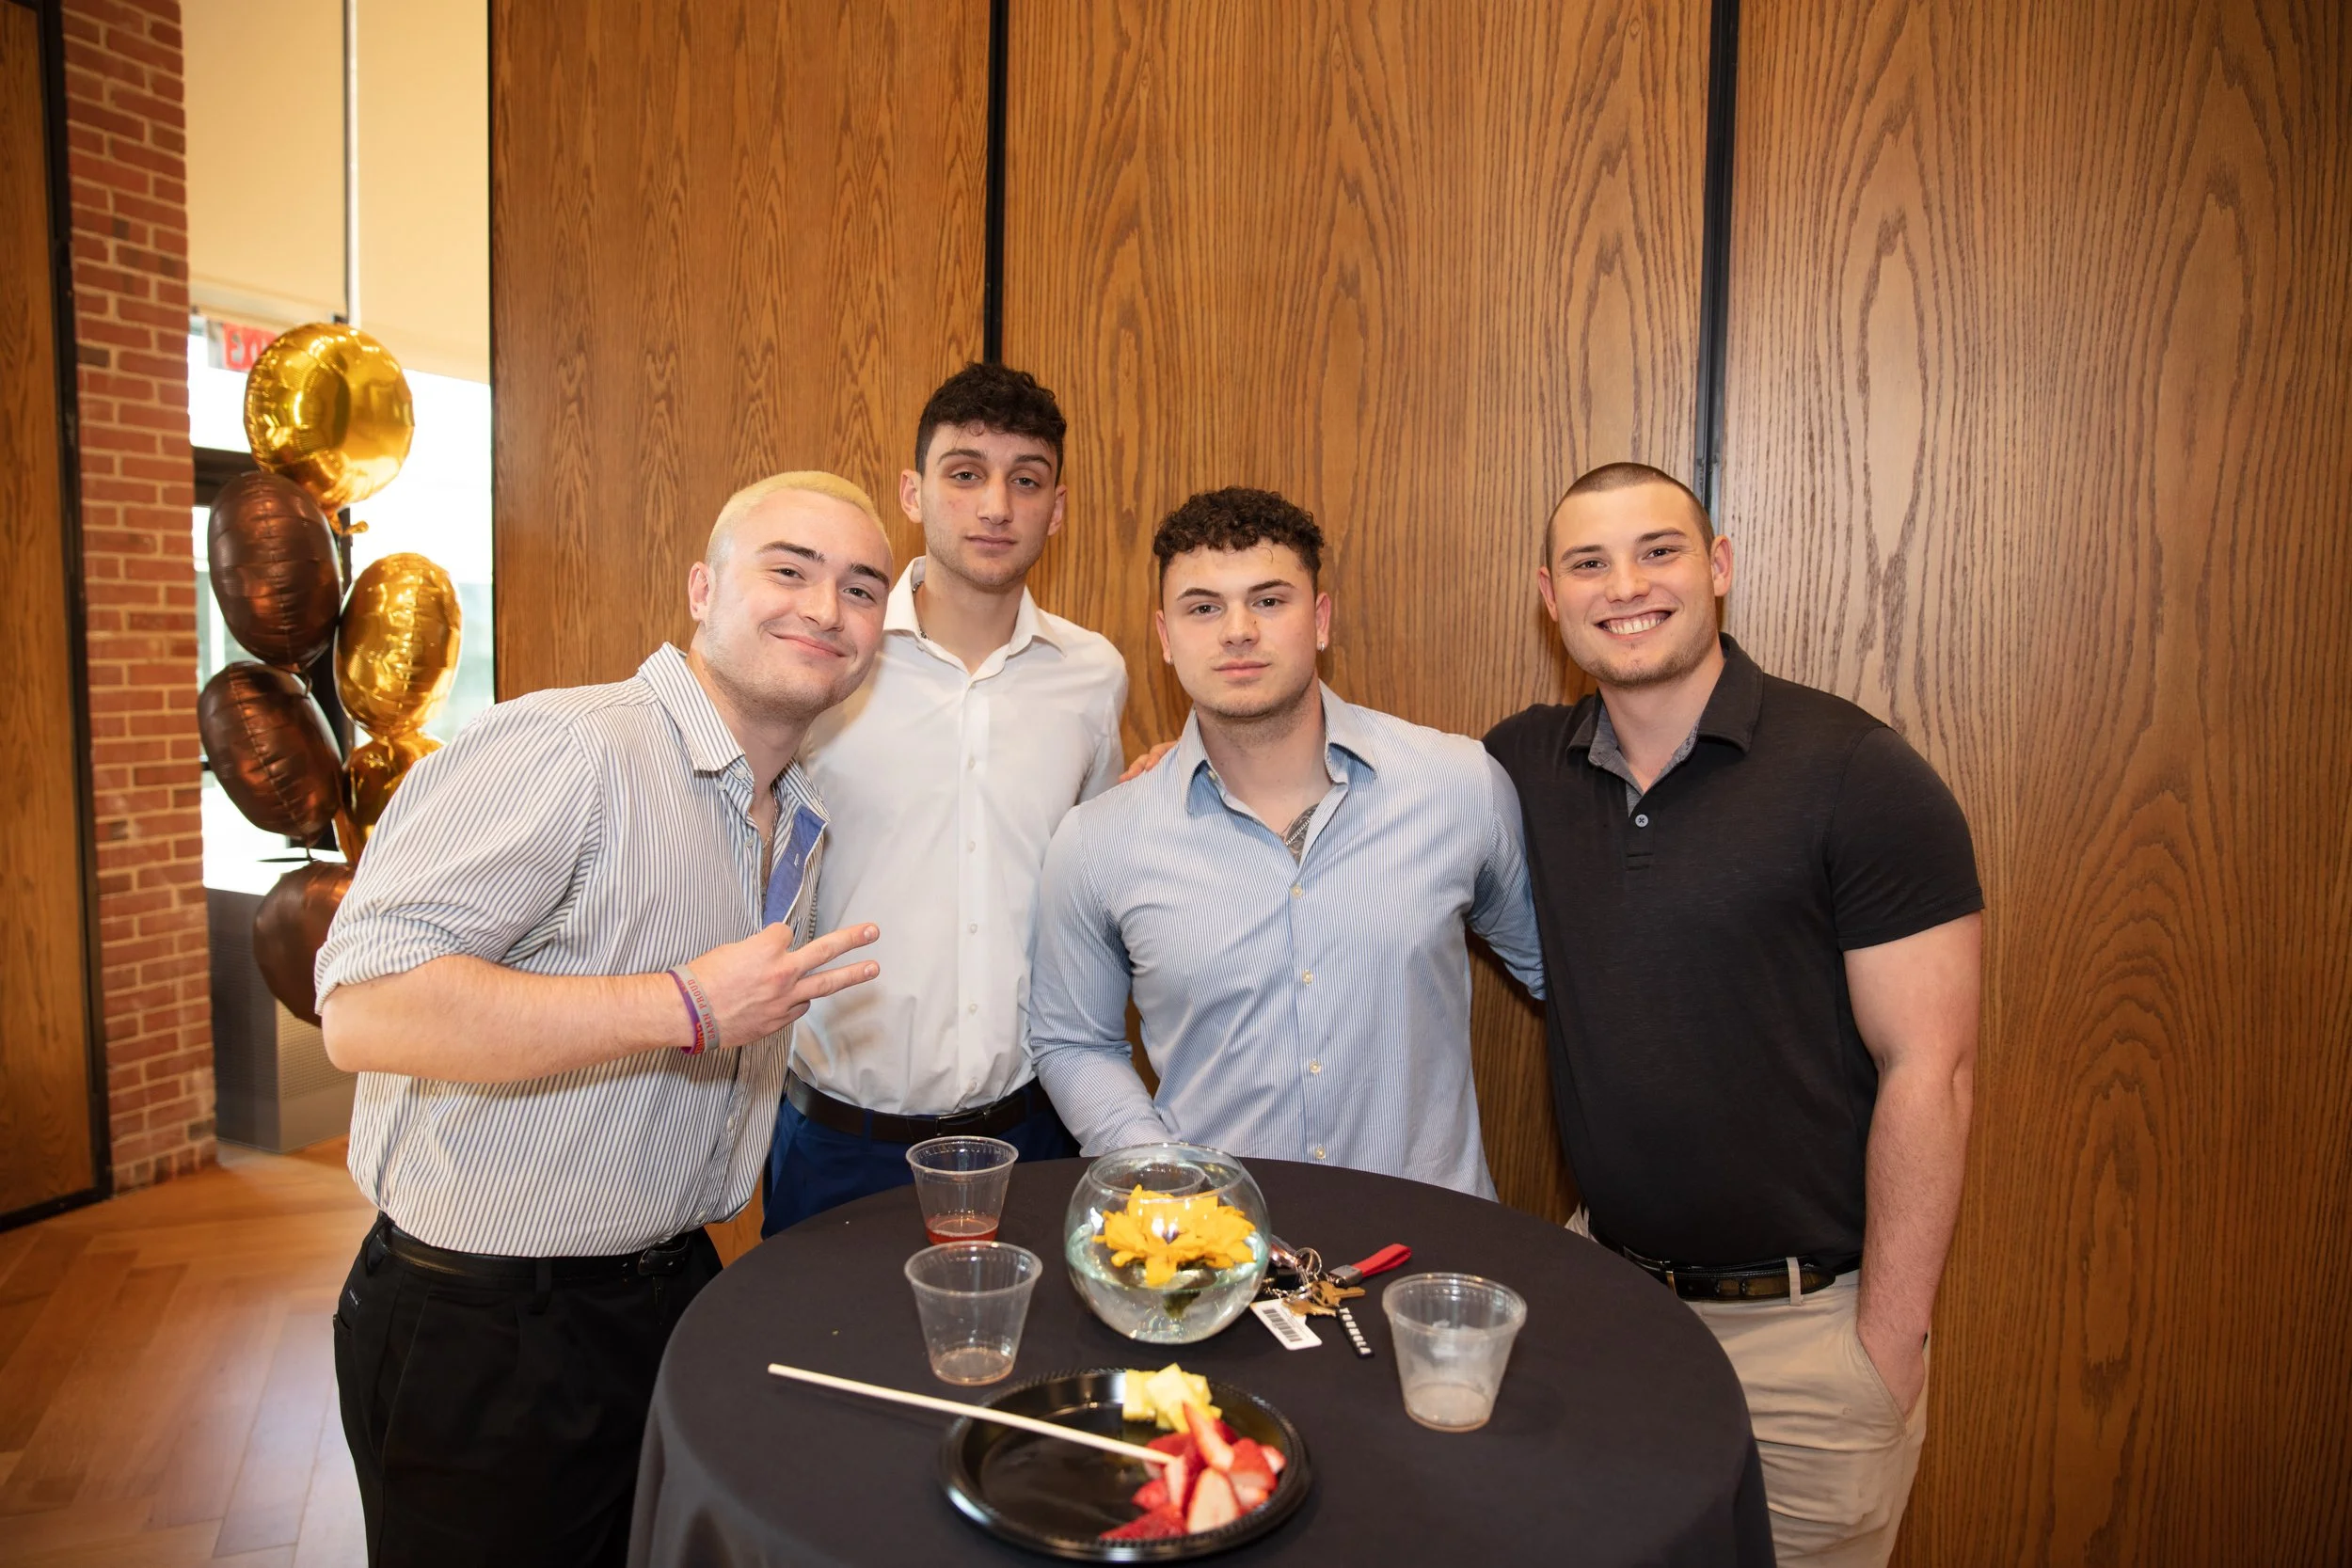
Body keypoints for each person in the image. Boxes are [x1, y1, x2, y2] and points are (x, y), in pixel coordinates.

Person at [315, 472, 894, 1567]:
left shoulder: (796, 807)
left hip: (666, 1291)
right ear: (701, 588)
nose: (826, 608)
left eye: (861, 589)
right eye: (789, 569)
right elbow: (363, 1005)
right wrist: (684, 1003)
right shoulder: (570, 747)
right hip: (485, 1329)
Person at [1483, 462, 1982, 1568]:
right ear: (1548, 596)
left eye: (1658, 550)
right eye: (1588, 562)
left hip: (1806, 1338)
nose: (1626, 585)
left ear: (1717, 568)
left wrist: (1882, 1345)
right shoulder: (1521, 766)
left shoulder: (1856, 773)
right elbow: (1359, 797)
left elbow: (1930, 1069)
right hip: (1600, 1306)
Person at [1026, 487, 1545, 1197]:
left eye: (1270, 601)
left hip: (1430, 1251)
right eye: (1203, 607)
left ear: (1321, 619)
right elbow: (1073, 1040)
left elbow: (1564, 976)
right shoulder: (1099, 841)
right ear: (1165, 636)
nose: (1238, 630)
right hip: (1220, 1265)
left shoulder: (1458, 787)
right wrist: (1162, 1171)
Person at [760, 363, 1126, 1235]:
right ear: (914, 492)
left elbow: (1099, 873)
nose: (996, 505)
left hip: (1033, 1137)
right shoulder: (828, 657)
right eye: (965, 473)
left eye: (1025, 480)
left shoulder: (1094, 674)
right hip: (841, 1140)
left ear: (1058, 506)